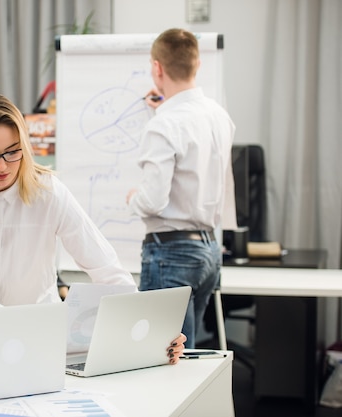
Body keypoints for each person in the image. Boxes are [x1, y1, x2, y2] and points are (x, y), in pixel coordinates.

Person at [0, 93, 186, 362]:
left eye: (12, 152)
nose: (2, 166)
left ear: (25, 147)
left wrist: (148, 328)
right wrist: (8, 325)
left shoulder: (49, 192)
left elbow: (104, 266)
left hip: (38, 321)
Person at [126, 28, 236, 348]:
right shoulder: (219, 117)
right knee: (182, 355)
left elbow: (153, 201)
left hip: (171, 254)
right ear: (197, 64)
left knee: (160, 354)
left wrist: (134, 199)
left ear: (157, 69)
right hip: (209, 252)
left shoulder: (164, 125)